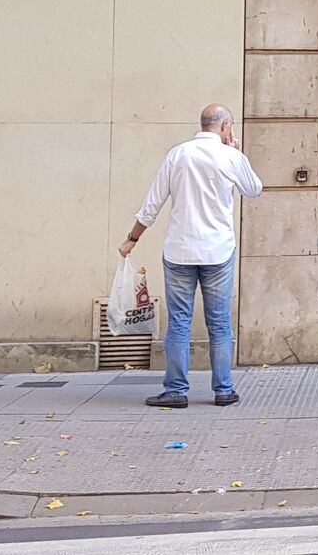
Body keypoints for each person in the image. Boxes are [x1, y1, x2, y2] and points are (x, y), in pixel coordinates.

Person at [121, 104, 263, 409]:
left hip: (180, 251)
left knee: (179, 322)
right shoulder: (230, 156)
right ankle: (223, 390)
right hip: (218, 251)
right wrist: (235, 151)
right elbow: (253, 189)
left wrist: (132, 239)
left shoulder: (178, 154)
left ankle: (175, 390)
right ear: (226, 126)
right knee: (220, 323)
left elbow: (152, 204)